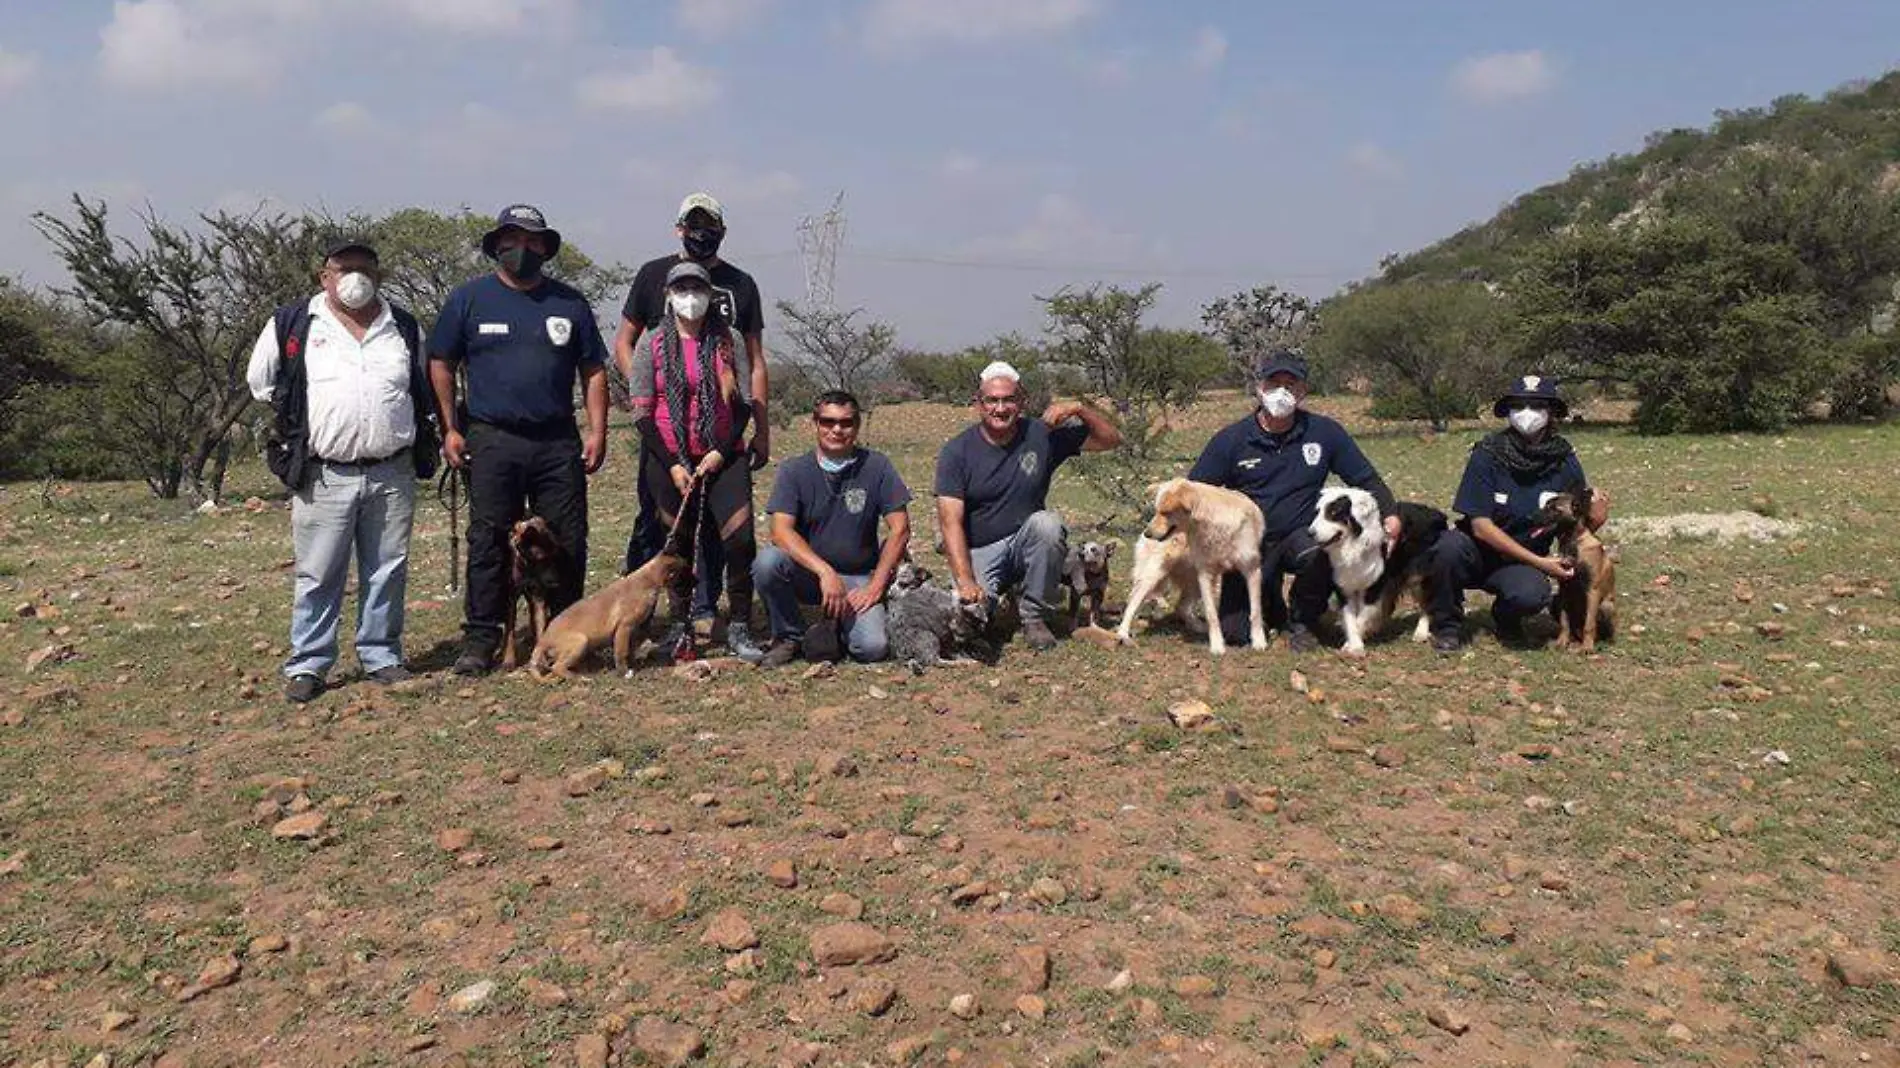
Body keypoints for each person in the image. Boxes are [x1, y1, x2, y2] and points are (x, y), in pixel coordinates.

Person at [246, 238, 438, 703]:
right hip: (323, 472)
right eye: (343, 267)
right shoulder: (292, 323)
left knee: (387, 569)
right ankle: (309, 663)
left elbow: (422, 387)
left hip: (391, 471)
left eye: (364, 268)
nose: (355, 276)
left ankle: (382, 656)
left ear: (379, 276)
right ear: (324, 276)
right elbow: (261, 382)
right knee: (318, 573)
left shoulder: (404, 327)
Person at [429, 204, 610, 676]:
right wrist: (450, 426)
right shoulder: (468, 300)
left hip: (556, 441)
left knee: (566, 540)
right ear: (497, 245)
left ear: (545, 248)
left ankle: (570, 631)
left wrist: (597, 430)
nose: (522, 249)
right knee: (489, 539)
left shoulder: (570, 304)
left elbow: (593, 371)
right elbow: (442, 362)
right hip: (491, 438)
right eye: (512, 240)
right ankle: (481, 638)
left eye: (532, 241)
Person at [616, 193, 769, 656]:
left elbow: (751, 376)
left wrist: (756, 431)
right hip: (667, 449)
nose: (690, 296)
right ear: (678, 227)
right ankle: (674, 623)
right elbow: (625, 344)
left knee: (735, 537)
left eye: (710, 224)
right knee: (669, 537)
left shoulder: (736, 306)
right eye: (693, 223)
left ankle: (731, 620)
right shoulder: (651, 299)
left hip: (723, 448)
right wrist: (656, 396)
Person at [1188, 350, 1402, 652]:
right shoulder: (1231, 439)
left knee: (1323, 550)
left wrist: (1390, 514)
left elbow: (1364, 478)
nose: (1282, 392)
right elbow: (1195, 492)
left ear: (1303, 391)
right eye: (1274, 383)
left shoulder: (1325, 432)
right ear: (1259, 387)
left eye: (1291, 384)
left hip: (1301, 534)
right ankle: (1271, 602)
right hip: (1246, 541)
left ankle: (1304, 621)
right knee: (1236, 635)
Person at [934, 362, 1121, 651]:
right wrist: (965, 579)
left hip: (1027, 542)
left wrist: (1079, 410)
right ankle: (996, 602)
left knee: (1048, 524)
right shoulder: (956, 451)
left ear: (1021, 401)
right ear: (978, 404)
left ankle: (1034, 616)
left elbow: (1110, 440)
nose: (1000, 408)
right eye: (992, 401)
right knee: (973, 616)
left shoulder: (1040, 434)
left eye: (1008, 399)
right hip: (980, 549)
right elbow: (950, 522)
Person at [1425, 374, 1610, 653]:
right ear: (1508, 412)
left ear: (1551, 413)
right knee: (1446, 549)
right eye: (1520, 406)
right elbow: (1480, 526)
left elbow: (1577, 519)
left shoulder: (1563, 459)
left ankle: (1507, 619)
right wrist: (1541, 561)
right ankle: (1447, 627)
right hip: (1477, 551)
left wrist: (1598, 515)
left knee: (1533, 594)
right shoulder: (1487, 453)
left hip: (1522, 560)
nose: (1527, 414)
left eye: (1537, 406)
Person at [752, 390, 912, 667]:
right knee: (767, 563)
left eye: (846, 422)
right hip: (809, 575)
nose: (836, 429)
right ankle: (790, 635)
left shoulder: (877, 466)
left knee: (872, 648)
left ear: (857, 426)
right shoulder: (794, 470)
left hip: (858, 578)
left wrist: (876, 586)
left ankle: (834, 630)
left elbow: (900, 528)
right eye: (828, 422)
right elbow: (780, 531)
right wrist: (825, 572)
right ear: (815, 424)